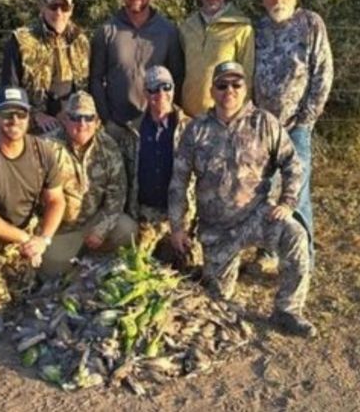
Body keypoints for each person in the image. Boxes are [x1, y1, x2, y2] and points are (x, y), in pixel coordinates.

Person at [168, 61, 316, 338]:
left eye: (236, 84)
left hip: (258, 216)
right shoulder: (196, 129)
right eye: (222, 85)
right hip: (216, 229)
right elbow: (178, 181)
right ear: (212, 90)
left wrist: (287, 202)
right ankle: (221, 289)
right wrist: (177, 226)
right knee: (218, 306)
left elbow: (293, 165)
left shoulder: (265, 123)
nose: (229, 91)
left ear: (245, 89)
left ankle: (288, 311)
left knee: (295, 235)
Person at [0, 86, 66, 339]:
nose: (14, 121)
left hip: (26, 227)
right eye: (7, 114)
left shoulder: (43, 152)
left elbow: (56, 201)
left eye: (20, 114)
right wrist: (24, 239)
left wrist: (43, 239)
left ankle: (11, 274)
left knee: (22, 294)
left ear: (29, 117)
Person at [254, 0, 333, 267]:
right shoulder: (258, 29)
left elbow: (323, 73)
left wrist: (306, 119)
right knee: (265, 190)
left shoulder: (310, 24)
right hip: (263, 127)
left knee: (295, 192)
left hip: (296, 126)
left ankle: (304, 261)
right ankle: (270, 251)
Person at [39, 91, 137, 276]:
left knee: (128, 229)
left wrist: (101, 229)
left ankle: (91, 256)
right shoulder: (47, 148)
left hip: (93, 223)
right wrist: (42, 236)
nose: (82, 124)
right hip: (59, 231)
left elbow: (117, 195)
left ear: (97, 121)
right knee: (51, 271)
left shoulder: (108, 147)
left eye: (88, 118)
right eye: (75, 117)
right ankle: (73, 259)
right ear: (65, 120)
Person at [89, 0, 184, 146]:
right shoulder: (106, 31)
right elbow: (95, 79)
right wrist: (107, 120)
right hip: (117, 129)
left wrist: (169, 117)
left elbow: (178, 78)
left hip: (157, 126)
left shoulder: (168, 31)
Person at [123, 66, 201, 270]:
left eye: (166, 87)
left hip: (180, 216)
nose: (161, 94)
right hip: (145, 214)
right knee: (135, 266)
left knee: (192, 267)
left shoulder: (192, 129)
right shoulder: (132, 131)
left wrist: (187, 224)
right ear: (145, 93)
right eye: (154, 89)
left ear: (174, 89)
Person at [0, 0, 90, 134]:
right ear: (42, 7)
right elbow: (9, 92)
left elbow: (89, 90)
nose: (59, 13)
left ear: (72, 9)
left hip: (73, 128)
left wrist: (72, 115)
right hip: (33, 131)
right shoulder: (21, 40)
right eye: (53, 6)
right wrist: (36, 116)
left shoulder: (80, 41)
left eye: (64, 7)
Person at [179, 0, 254, 117]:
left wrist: (240, 118)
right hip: (188, 120)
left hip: (223, 119)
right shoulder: (186, 27)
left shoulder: (242, 27)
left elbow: (247, 78)